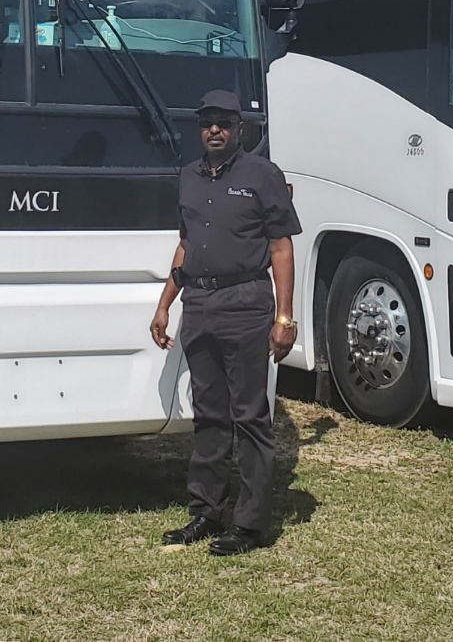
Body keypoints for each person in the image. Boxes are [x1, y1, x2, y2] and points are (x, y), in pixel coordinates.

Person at [149, 89, 301, 556]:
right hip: (199, 304)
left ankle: (250, 526)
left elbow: (281, 248)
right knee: (209, 416)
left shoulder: (263, 175)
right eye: (207, 122)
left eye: (224, 122)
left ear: (240, 128)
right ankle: (205, 512)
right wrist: (163, 304)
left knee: (250, 418)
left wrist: (284, 317)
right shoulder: (189, 177)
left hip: (246, 303)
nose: (214, 129)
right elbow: (185, 245)